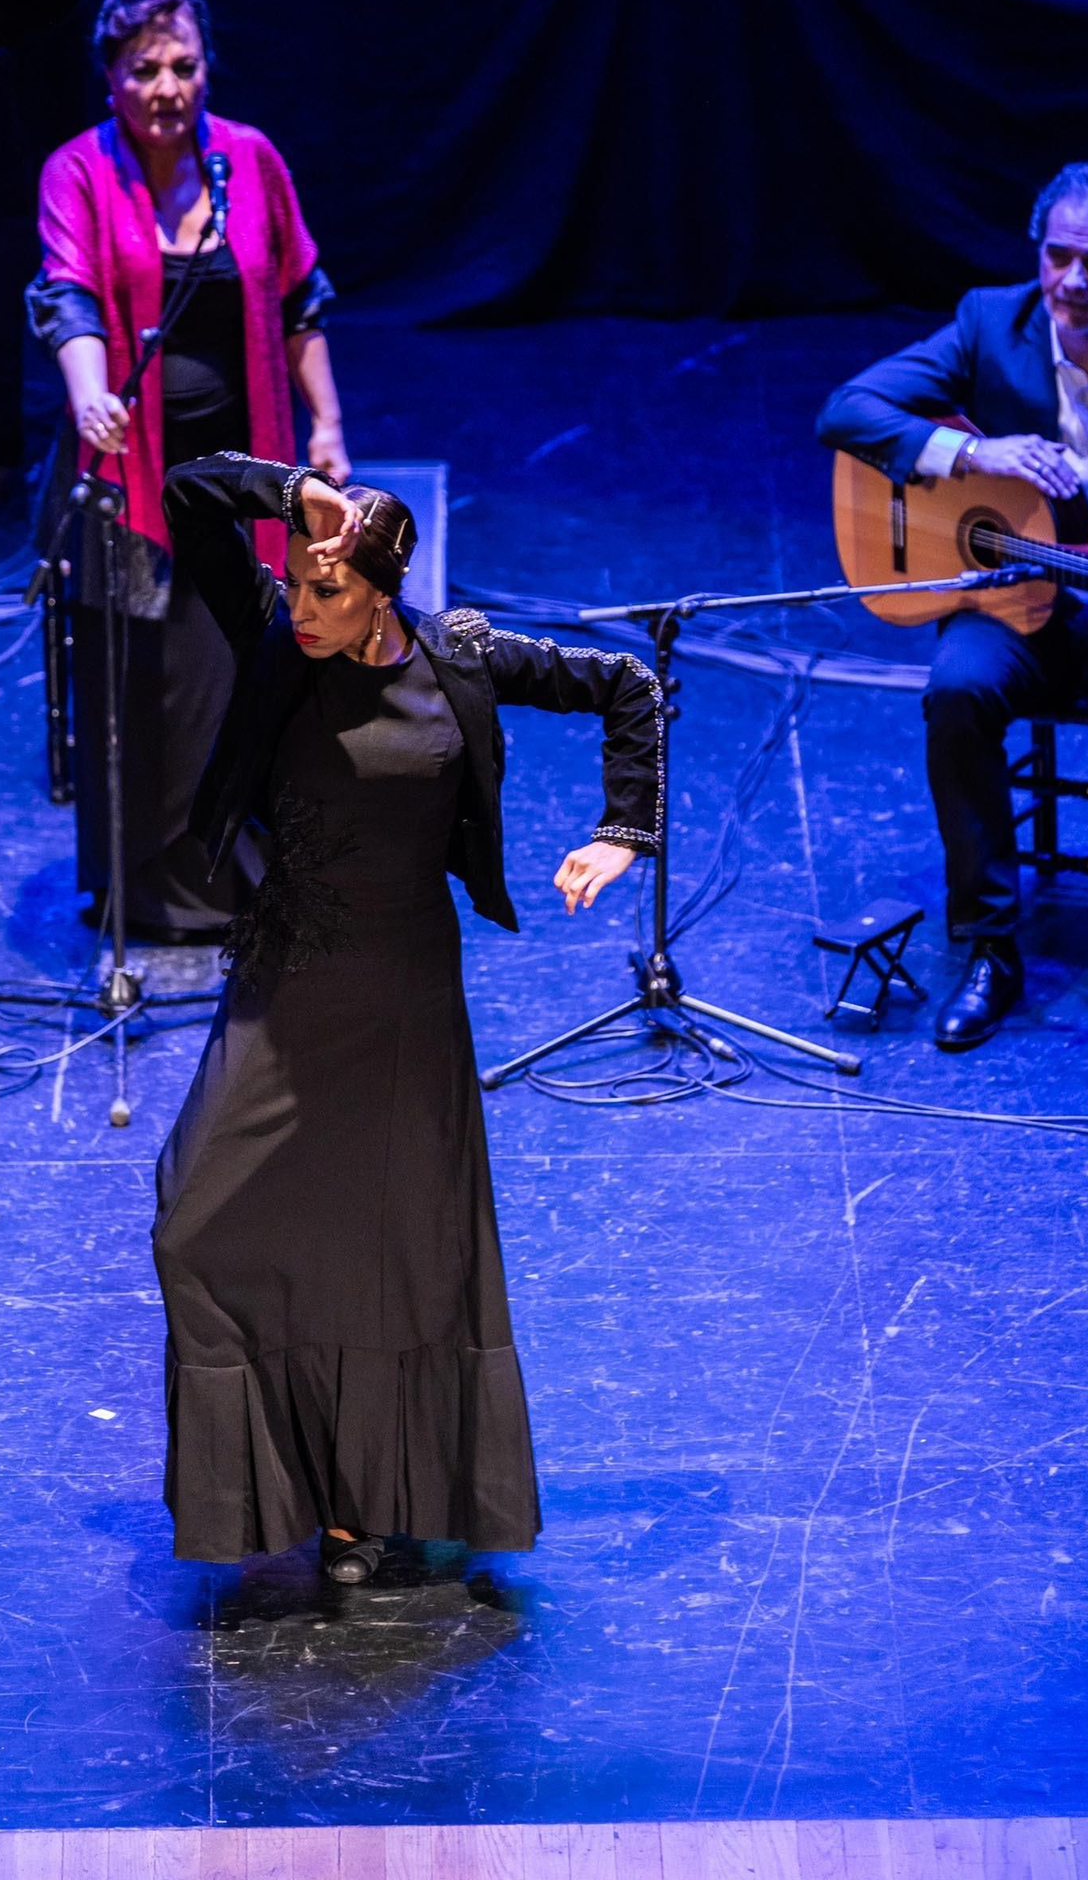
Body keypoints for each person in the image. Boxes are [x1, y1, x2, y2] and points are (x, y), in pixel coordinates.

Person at [151, 453, 664, 1577]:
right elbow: (187, 493)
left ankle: (360, 1504)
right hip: (290, 978)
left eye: (326, 591)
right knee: (193, 1218)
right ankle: (261, 1495)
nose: (302, 608)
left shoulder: (461, 656)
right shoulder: (274, 637)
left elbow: (627, 686)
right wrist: (296, 497)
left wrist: (622, 831)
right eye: (294, 584)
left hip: (406, 995)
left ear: (382, 593)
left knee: (397, 1254)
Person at [816, 159, 1088, 1054]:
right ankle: (989, 947)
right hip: (1017, 597)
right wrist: (968, 455)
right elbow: (848, 410)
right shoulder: (994, 325)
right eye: (1057, 257)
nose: (1071, 282)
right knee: (956, 694)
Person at [27, 0, 350, 942]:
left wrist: (327, 425)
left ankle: (231, 882)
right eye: (142, 70)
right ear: (110, 79)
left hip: (237, 479)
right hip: (126, 478)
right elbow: (68, 295)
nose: (165, 88)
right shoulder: (76, 172)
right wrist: (90, 400)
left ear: (205, 68)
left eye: (181, 65)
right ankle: (144, 896)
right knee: (142, 694)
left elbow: (301, 298)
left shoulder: (249, 162)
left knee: (232, 673)